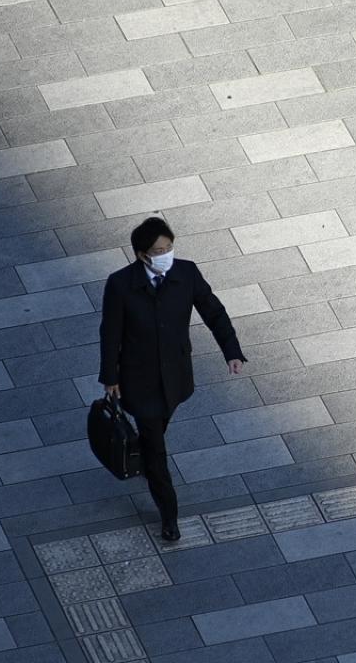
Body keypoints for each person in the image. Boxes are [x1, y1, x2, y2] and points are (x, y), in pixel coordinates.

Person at [97, 217, 247, 541]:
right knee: (157, 449)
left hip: (175, 379)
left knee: (155, 433)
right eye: (157, 250)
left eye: (168, 248)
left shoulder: (186, 273)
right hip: (139, 380)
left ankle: (143, 453)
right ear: (141, 255)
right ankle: (169, 515)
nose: (165, 254)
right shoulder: (121, 285)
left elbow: (214, 312)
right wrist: (110, 376)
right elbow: (110, 334)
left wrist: (231, 351)